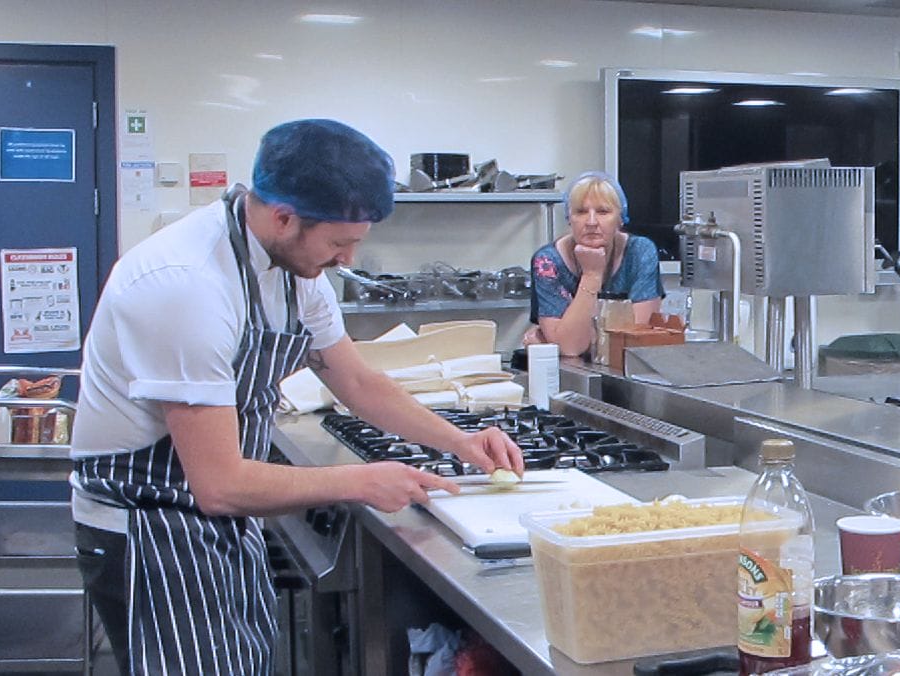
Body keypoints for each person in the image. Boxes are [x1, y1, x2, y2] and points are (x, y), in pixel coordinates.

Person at [68, 119, 524, 675]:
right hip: (149, 528)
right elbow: (220, 484)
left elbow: (357, 383)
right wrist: (360, 481)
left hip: (219, 518)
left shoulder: (293, 270)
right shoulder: (185, 285)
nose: (347, 260)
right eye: (338, 243)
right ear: (283, 217)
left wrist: (460, 441)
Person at [521, 172, 663, 356]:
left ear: (620, 218)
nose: (591, 222)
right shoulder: (547, 261)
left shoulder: (640, 252)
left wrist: (560, 337)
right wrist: (591, 275)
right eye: (581, 212)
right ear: (569, 218)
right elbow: (571, 348)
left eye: (603, 212)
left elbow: (635, 339)